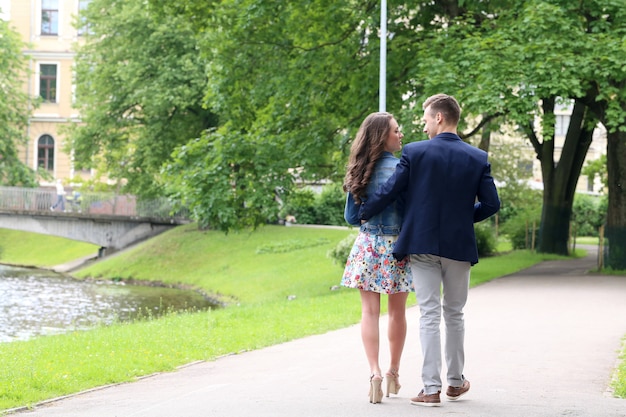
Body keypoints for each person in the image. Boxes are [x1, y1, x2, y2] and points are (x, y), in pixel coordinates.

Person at [359, 94, 500, 407]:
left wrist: (363, 212)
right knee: (455, 313)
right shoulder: (477, 157)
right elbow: (491, 204)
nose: (422, 127)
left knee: (429, 314)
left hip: (421, 245)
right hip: (459, 246)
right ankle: (455, 383)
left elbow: (390, 190)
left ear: (439, 117)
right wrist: (464, 219)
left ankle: (431, 389)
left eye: (425, 120)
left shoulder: (415, 153)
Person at [341, 112, 413, 404]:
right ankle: (393, 372)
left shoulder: (359, 170)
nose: (401, 134)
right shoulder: (403, 169)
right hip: (397, 247)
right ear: (382, 135)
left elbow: (350, 217)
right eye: (396, 130)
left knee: (369, 313)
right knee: (397, 313)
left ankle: (374, 373)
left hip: (368, 246)